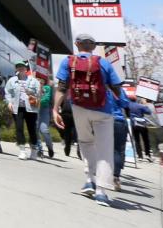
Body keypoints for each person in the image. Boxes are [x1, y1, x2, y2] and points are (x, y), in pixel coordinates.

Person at [52, 33, 124, 207]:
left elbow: (62, 87)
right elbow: (116, 87)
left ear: (77, 44)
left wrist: (55, 109)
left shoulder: (68, 61)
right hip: (103, 110)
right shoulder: (103, 62)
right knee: (105, 150)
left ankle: (90, 179)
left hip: (79, 107)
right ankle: (101, 192)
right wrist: (122, 104)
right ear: (93, 46)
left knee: (85, 142)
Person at [5, 61, 41, 160]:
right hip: (18, 108)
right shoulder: (12, 80)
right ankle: (22, 150)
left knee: (32, 129)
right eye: (18, 67)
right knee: (19, 128)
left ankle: (34, 151)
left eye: (22, 67)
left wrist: (31, 92)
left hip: (31, 109)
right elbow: (7, 92)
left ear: (26, 69)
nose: (20, 69)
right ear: (16, 69)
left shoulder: (34, 81)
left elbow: (39, 94)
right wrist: (9, 102)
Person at [111, 88, 131, 192]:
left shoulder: (99, 85)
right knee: (118, 150)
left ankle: (99, 174)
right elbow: (125, 104)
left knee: (101, 148)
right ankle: (116, 178)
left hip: (103, 120)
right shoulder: (118, 88)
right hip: (118, 120)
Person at [129, 98, 154, 162]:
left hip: (133, 124)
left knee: (137, 140)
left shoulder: (128, 105)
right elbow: (149, 112)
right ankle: (148, 155)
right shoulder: (141, 106)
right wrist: (144, 105)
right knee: (146, 140)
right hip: (141, 124)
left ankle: (140, 156)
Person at [36, 79, 55, 158]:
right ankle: (39, 149)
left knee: (44, 129)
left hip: (44, 109)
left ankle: (50, 146)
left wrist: (38, 100)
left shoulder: (47, 88)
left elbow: (46, 99)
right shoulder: (34, 85)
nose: (40, 81)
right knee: (35, 129)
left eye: (42, 80)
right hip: (35, 108)